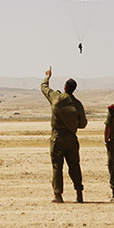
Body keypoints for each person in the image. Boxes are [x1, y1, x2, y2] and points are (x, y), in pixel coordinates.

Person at [41, 66, 88, 203]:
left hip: (57, 138)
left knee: (57, 167)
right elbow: (83, 124)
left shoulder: (56, 98)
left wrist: (48, 76)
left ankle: (58, 195)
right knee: (74, 166)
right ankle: (79, 193)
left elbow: (44, 87)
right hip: (72, 139)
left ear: (65, 87)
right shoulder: (78, 104)